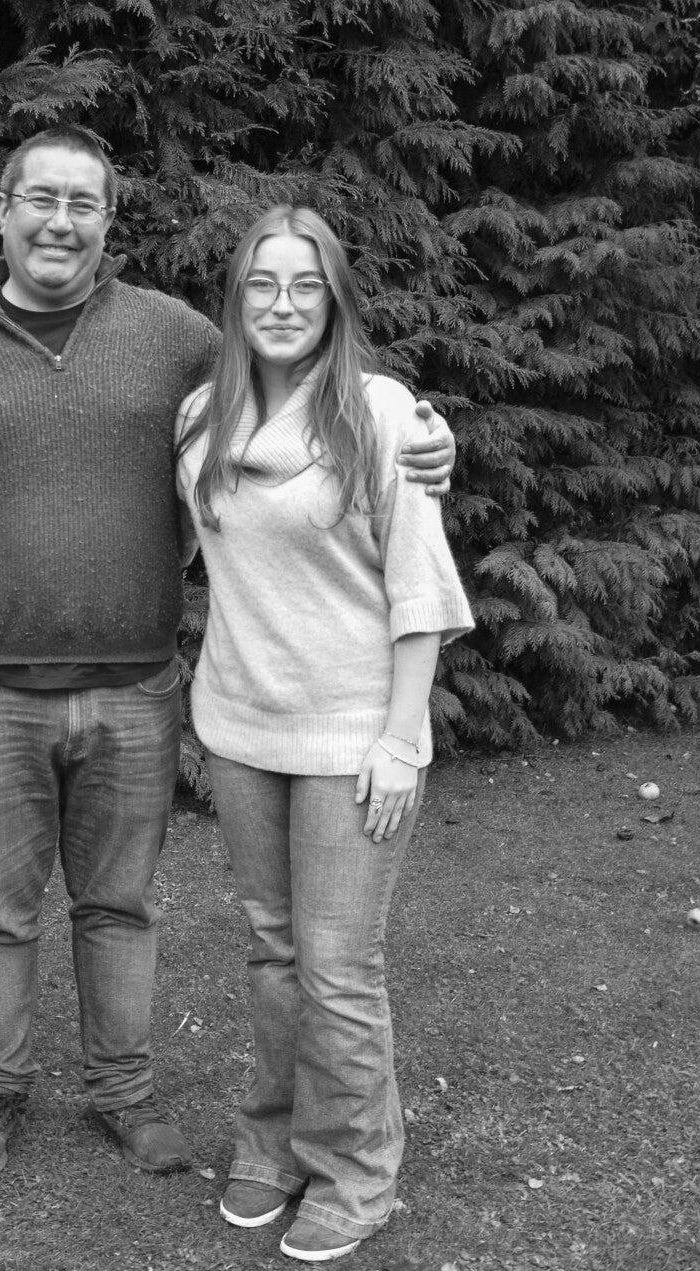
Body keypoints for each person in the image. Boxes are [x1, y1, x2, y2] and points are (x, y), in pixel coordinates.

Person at [0, 125, 459, 1182]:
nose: (59, 222)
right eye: (40, 199)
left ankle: (121, 1090)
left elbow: (302, 384)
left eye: (82, 203)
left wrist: (426, 440)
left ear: (107, 220)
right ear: (1, 209)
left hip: (136, 684)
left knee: (119, 905)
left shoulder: (171, 334)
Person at [176, 206, 474, 1262]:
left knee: (339, 967)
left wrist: (401, 737)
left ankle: (355, 1170)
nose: (282, 303)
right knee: (273, 953)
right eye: (262, 283)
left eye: (305, 284)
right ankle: (274, 1137)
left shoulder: (381, 414)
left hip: (353, 735)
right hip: (239, 727)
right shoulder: (200, 420)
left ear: (335, 300)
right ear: (235, 299)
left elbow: (419, 587)